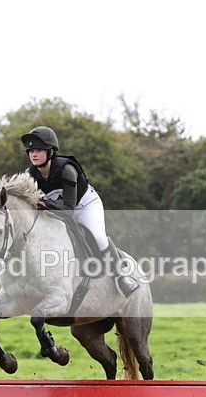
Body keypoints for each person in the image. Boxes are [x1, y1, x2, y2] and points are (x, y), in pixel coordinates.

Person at [20, 126, 140, 298]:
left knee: (98, 237)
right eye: (30, 150)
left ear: (52, 152)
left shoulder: (67, 170)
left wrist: (43, 204)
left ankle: (121, 276)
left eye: (39, 150)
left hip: (84, 205)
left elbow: (69, 212)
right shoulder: (29, 176)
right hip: (56, 210)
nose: (33, 154)